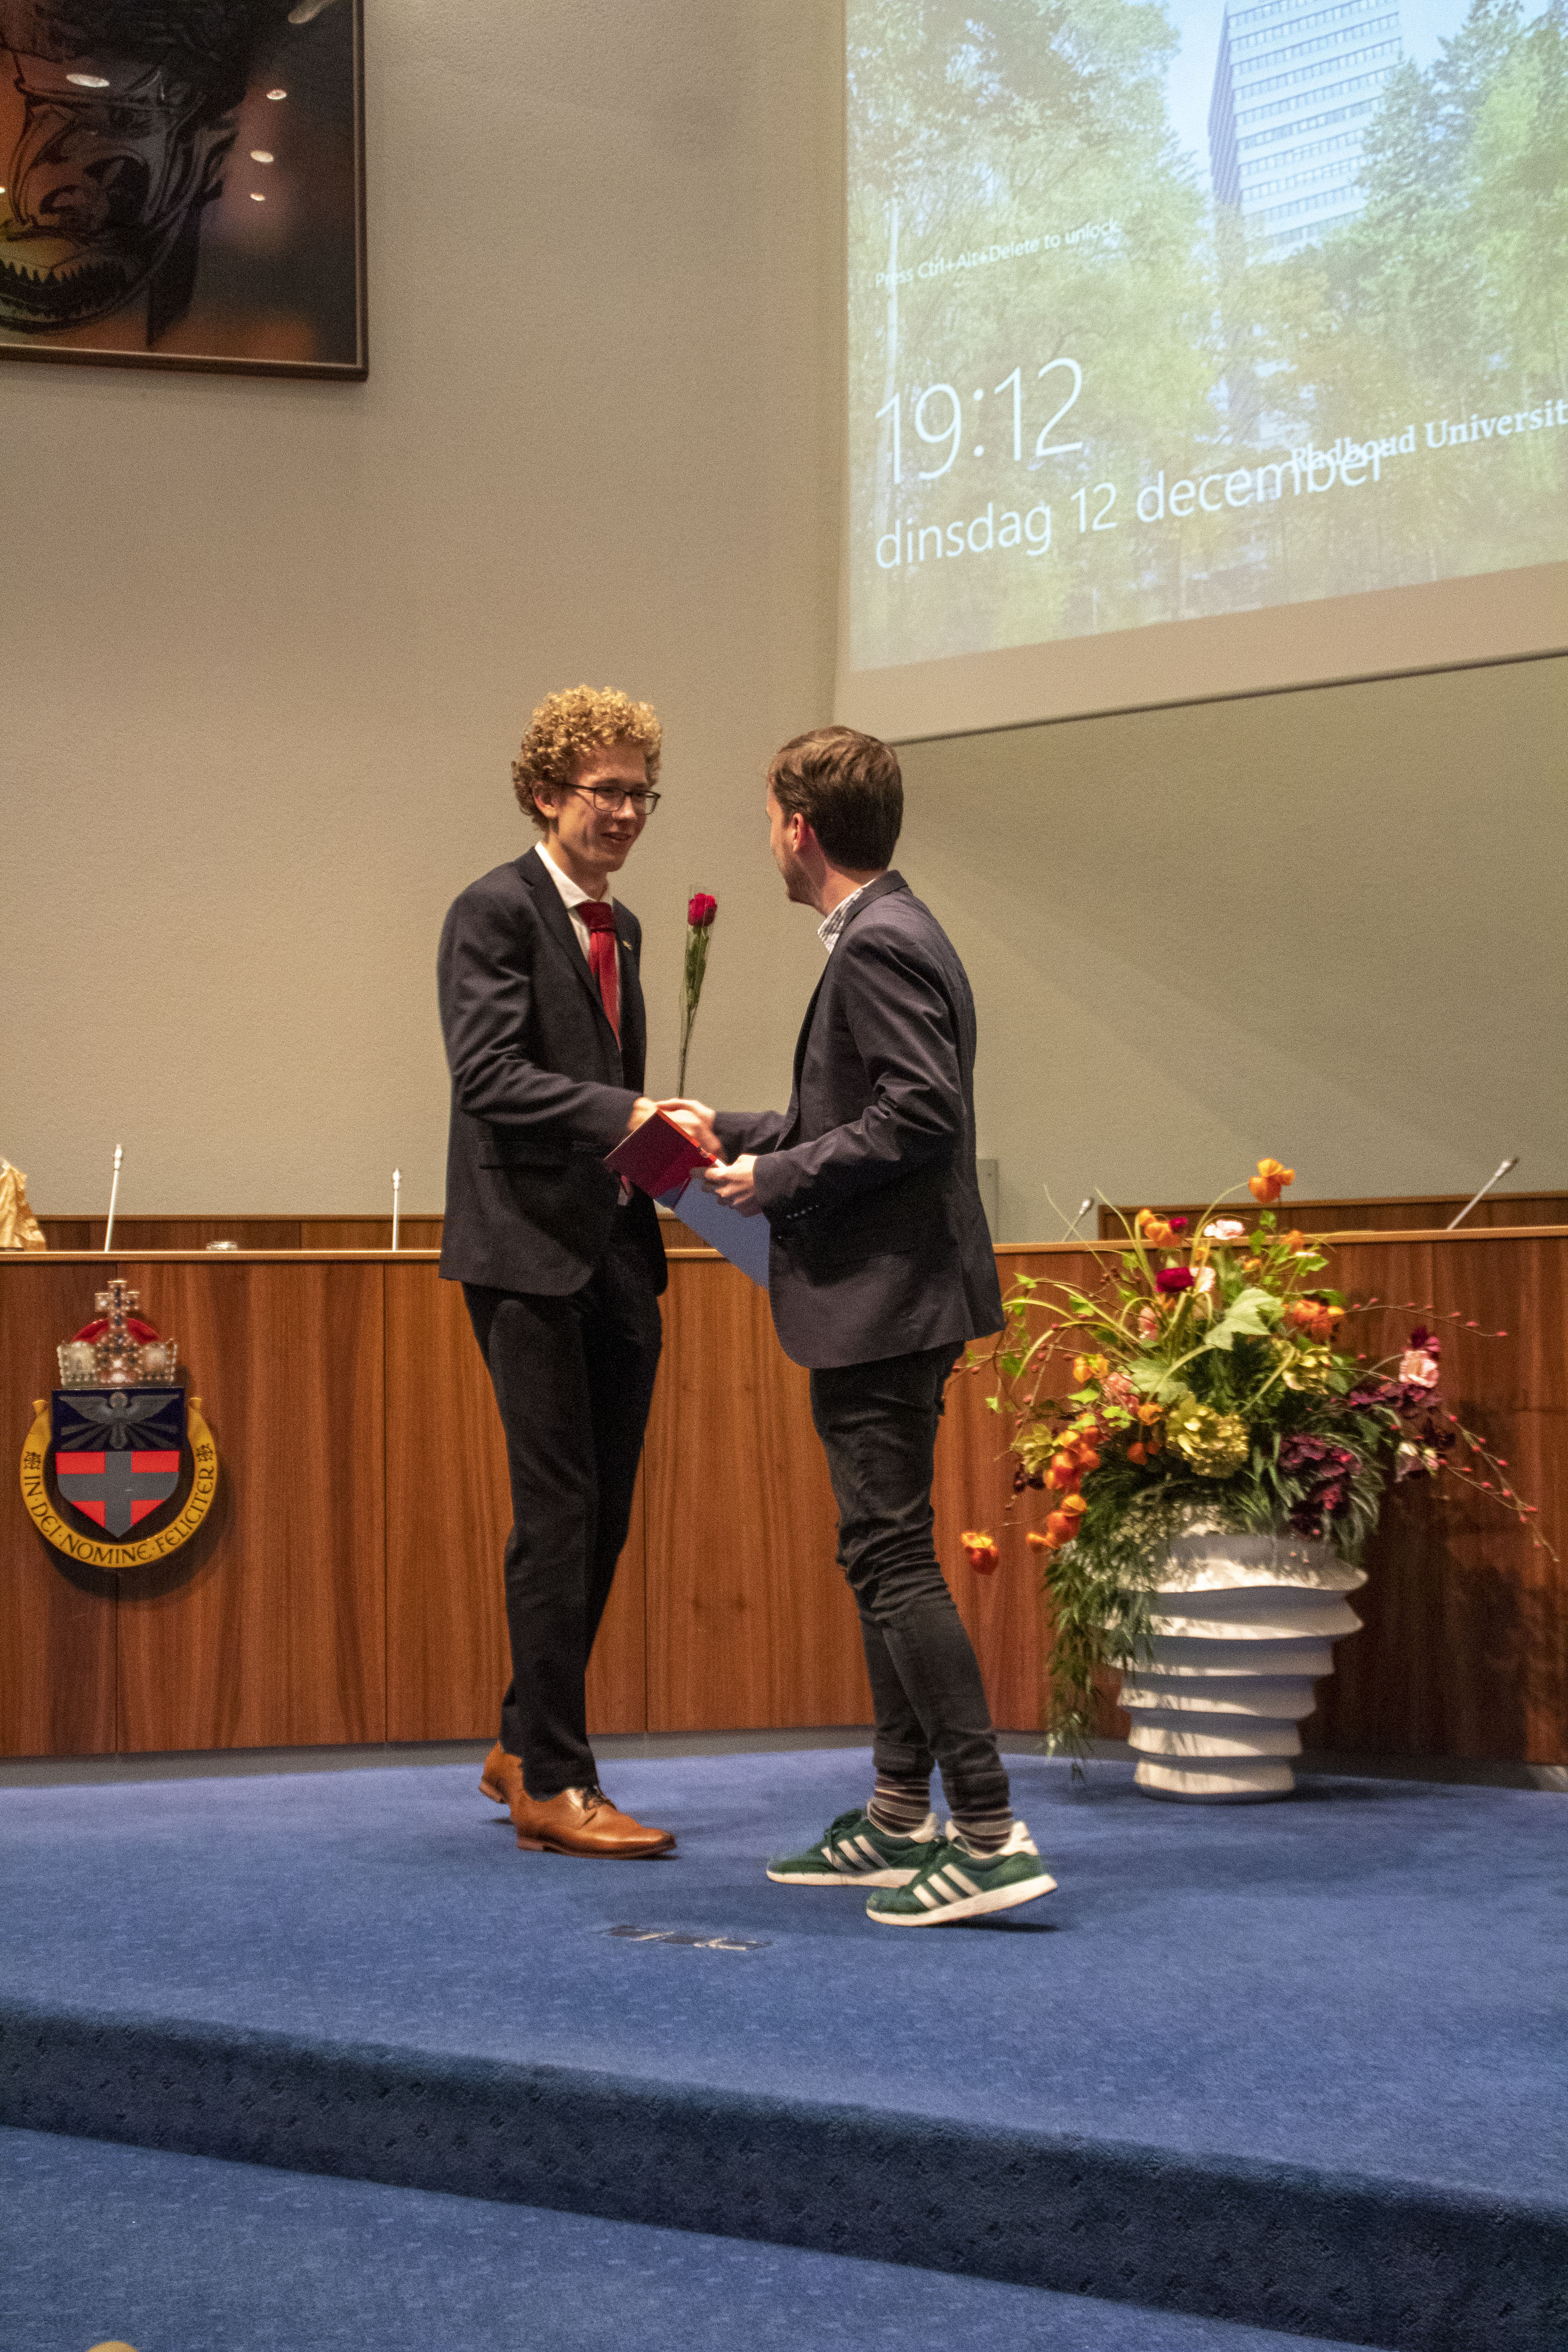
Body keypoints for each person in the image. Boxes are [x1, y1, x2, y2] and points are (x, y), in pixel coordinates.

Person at [692, 726, 1057, 1925]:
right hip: (892, 1294)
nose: (768, 838)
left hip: (887, 1299)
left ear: (799, 828)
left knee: (893, 1559)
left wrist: (774, 1181)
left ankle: (990, 1832)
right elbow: (846, 1111)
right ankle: (902, 1814)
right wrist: (731, 1133)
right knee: (877, 1553)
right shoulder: (889, 928)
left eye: (769, 818)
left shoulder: (880, 942)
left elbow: (919, 1116)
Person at [437, 684, 691, 1860]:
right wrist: (632, 1111)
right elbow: (489, 1077)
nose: (627, 812)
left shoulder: (623, 928)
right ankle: (554, 1781)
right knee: (557, 1516)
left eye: (643, 793)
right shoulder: (492, 911)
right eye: (607, 791)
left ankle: (517, 1738)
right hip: (527, 1258)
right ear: (547, 793)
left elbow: (606, 1101)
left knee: (607, 1516)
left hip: (620, 1252)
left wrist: (685, 1168)